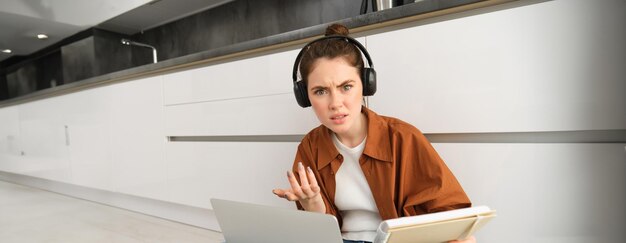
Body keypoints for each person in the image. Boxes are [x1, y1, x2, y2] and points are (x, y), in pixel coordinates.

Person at [272, 23, 475, 243]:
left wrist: (458, 236)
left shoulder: (403, 138)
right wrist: (313, 204)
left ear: (366, 85)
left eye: (346, 87)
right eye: (320, 91)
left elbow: (453, 215)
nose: (335, 103)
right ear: (305, 97)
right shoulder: (310, 147)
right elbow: (318, 235)